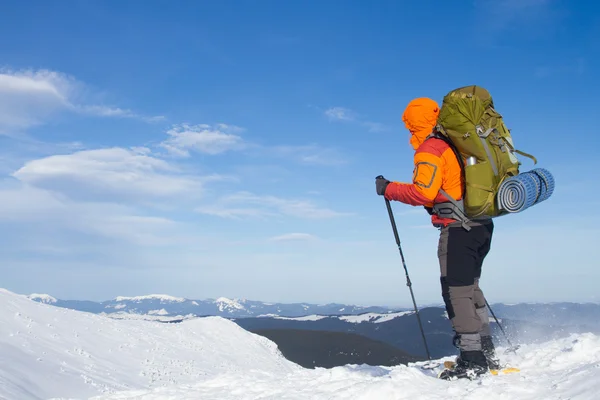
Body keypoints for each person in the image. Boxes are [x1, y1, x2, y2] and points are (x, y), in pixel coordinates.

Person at [375, 97, 499, 380]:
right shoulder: (459, 144)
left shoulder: (431, 148)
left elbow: (423, 193)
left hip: (458, 229)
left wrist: (388, 189)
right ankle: (485, 350)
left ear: (412, 124)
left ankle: (473, 360)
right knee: (470, 289)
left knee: (456, 293)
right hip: (482, 226)